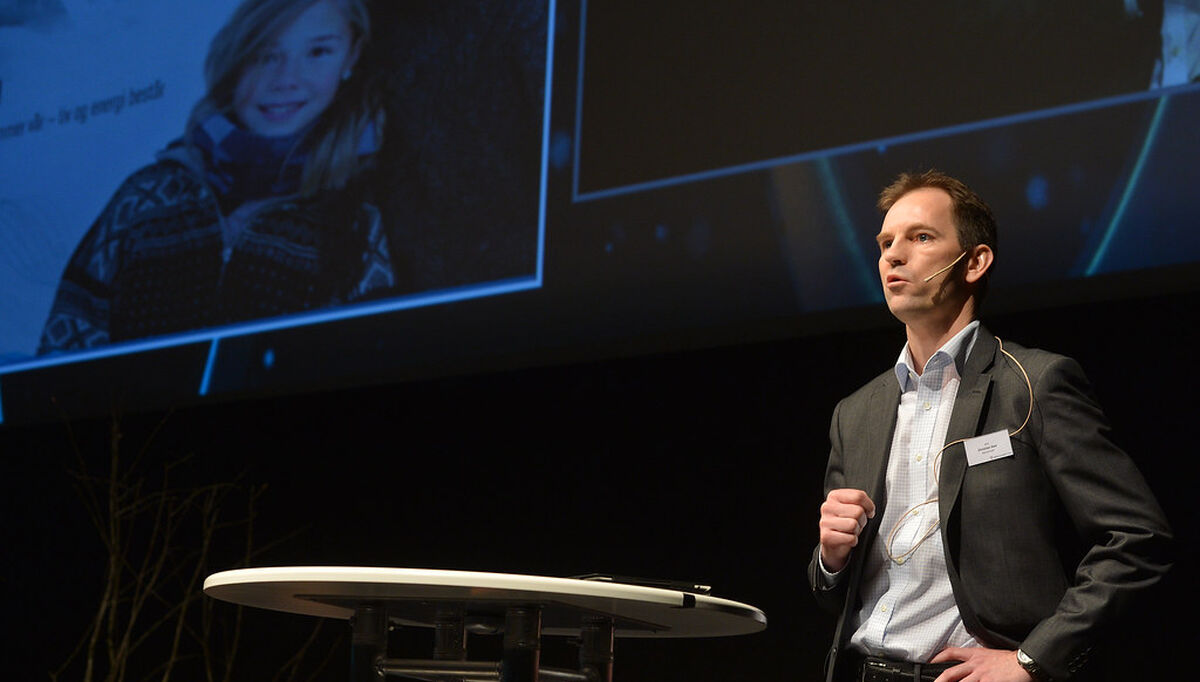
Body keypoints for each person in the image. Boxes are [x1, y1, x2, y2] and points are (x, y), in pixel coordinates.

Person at [807, 170, 1172, 682]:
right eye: (886, 242)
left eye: (921, 237)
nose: (893, 255)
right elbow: (833, 594)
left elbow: (1137, 537)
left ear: (975, 262)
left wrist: (1034, 658)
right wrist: (831, 558)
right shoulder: (857, 411)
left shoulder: (1035, 383)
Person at [38, 0, 395, 353]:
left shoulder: (356, 222)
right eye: (265, 55)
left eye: (318, 52)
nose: (286, 79)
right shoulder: (144, 199)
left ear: (351, 57)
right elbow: (61, 364)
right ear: (237, 59)